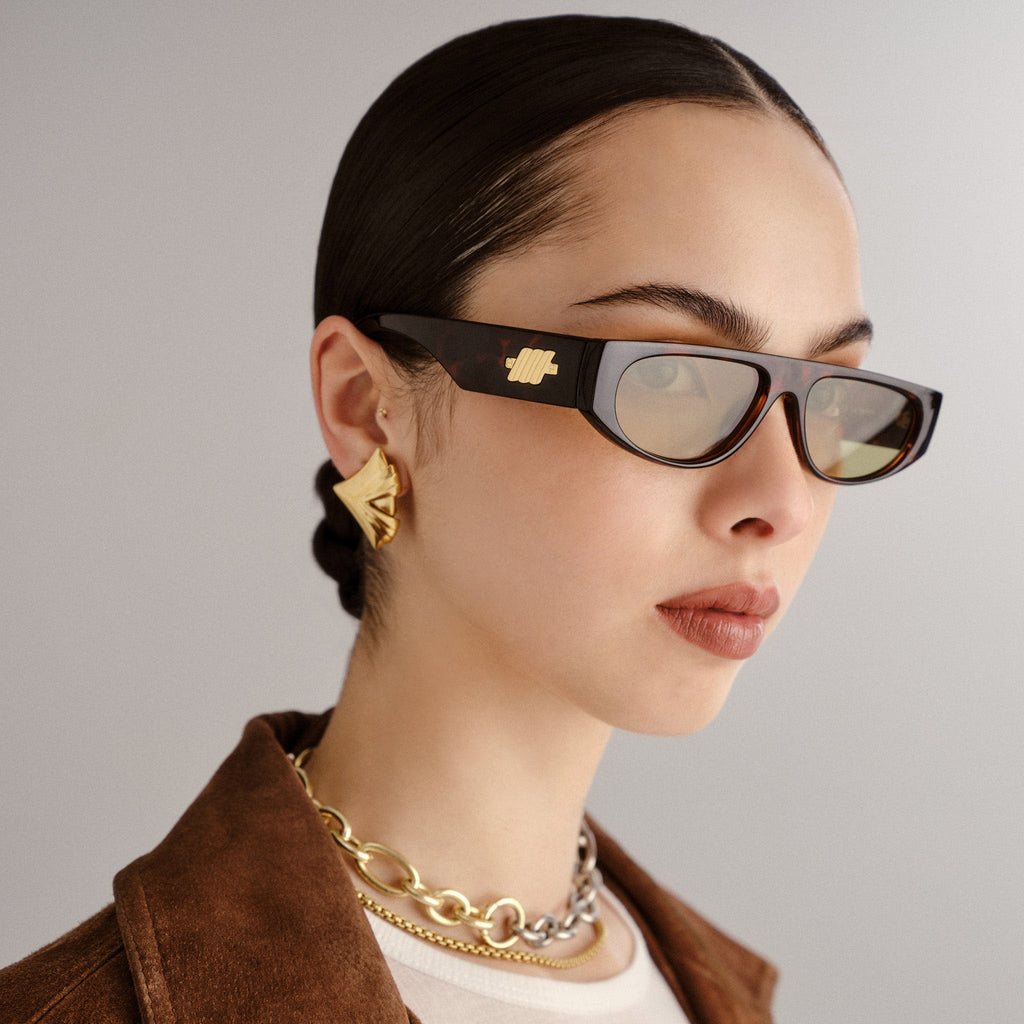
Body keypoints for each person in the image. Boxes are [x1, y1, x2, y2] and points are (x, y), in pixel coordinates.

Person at [0, 14, 941, 1023]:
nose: (782, 501)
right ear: (369, 406)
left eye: (833, 391)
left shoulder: (713, 991)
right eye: (669, 378)